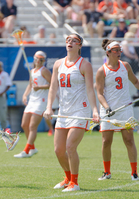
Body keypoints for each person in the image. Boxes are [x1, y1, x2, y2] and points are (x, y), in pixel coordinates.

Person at [43, 33, 99, 192]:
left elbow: (90, 90)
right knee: (58, 150)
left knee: (70, 147)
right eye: (68, 40)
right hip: (63, 111)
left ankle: (75, 182)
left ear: (80, 45)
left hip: (80, 112)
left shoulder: (85, 65)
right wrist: (48, 107)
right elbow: (53, 87)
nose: (70, 42)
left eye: (74, 41)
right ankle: (67, 178)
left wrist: (94, 110)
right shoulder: (58, 64)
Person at [95, 39, 139, 182]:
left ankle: (134, 173)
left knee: (129, 140)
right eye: (116, 50)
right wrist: (107, 108)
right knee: (106, 142)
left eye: (120, 49)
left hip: (125, 110)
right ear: (108, 52)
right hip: (108, 111)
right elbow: (99, 93)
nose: (119, 52)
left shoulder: (125, 66)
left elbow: (136, 81)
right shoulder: (102, 70)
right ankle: (107, 172)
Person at [14, 51, 51, 158]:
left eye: (41, 59)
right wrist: (25, 95)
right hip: (32, 100)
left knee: (32, 126)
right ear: (34, 59)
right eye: (37, 59)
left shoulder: (44, 71)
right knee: (24, 125)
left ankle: (26, 151)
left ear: (44, 61)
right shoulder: (33, 71)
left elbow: (52, 84)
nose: (38, 61)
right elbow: (31, 85)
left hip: (41, 100)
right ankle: (33, 148)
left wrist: (40, 87)